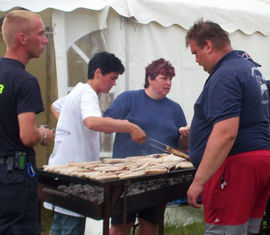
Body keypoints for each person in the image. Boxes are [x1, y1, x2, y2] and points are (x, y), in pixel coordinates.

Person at [45, 51, 146, 235]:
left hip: (61, 170)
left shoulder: (78, 91)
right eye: (113, 78)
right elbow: (91, 122)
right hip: (73, 176)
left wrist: (68, 125)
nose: (114, 83)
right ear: (98, 73)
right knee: (70, 227)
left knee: (59, 227)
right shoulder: (88, 93)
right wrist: (128, 126)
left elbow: (56, 106)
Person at [185, 19, 270, 234]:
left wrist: (198, 181)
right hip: (260, 162)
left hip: (236, 166)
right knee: (248, 230)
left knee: (224, 230)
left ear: (209, 46)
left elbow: (225, 133)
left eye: (196, 52)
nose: (196, 60)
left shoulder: (225, 74)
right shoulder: (250, 69)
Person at [104, 58, 189, 235]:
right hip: (126, 176)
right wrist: (129, 127)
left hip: (158, 177)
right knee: (120, 227)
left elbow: (180, 146)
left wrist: (186, 137)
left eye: (170, 79)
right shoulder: (129, 98)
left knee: (150, 226)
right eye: (163, 78)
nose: (168, 83)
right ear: (150, 78)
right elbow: (106, 123)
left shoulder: (175, 109)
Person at [0, 10, 54, 235]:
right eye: (41, 34)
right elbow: (27, 136)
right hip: (13, 177)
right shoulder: (25, 81)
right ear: (22, 38)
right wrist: (43, 134)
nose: (45, 40)